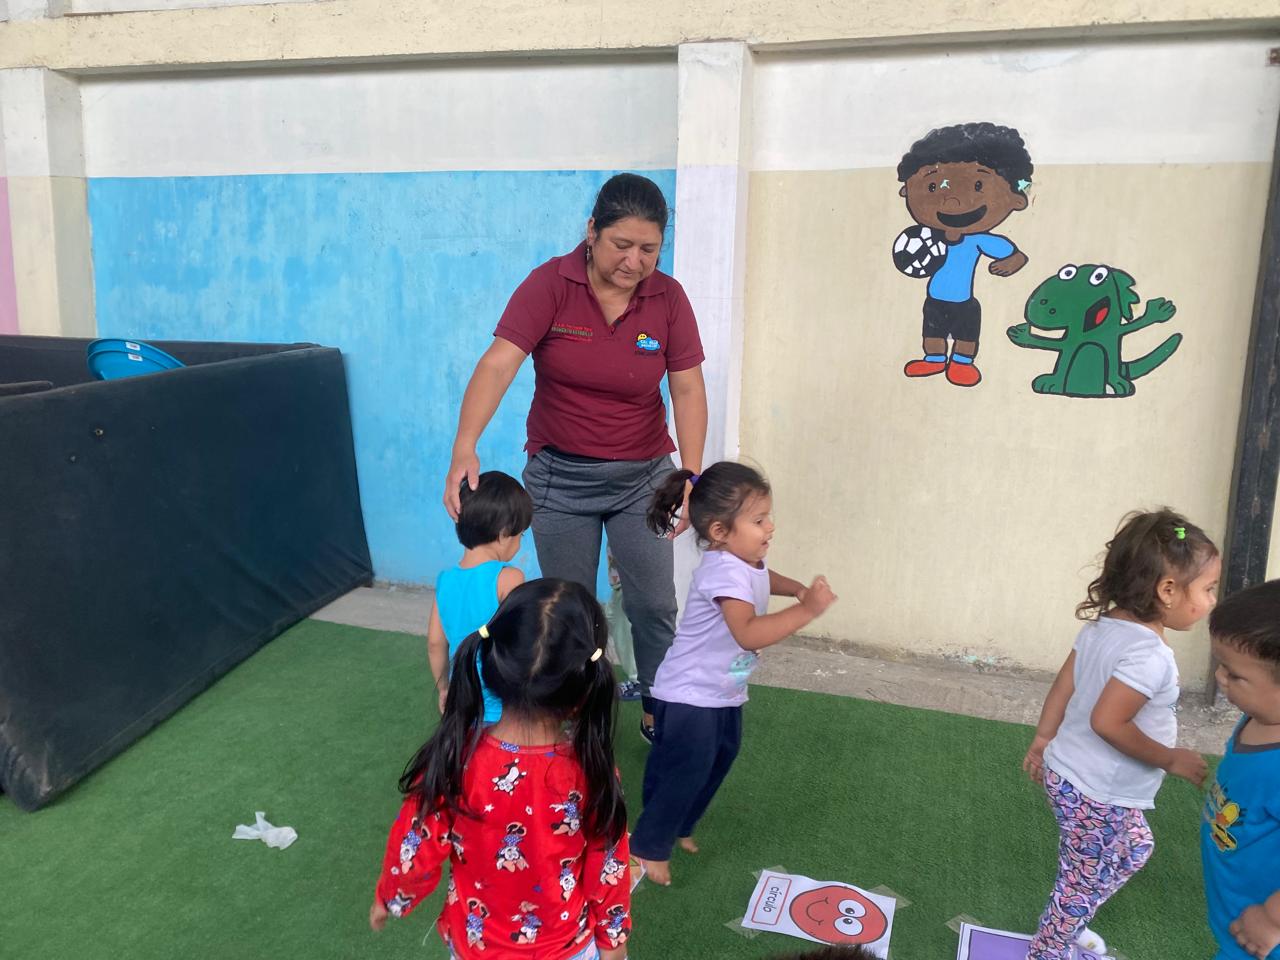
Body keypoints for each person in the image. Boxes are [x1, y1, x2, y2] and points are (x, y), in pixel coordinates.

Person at [442, 172, 708, 743]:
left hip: (644, 479)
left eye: (649, 249)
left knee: (653, 604)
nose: (634, 262)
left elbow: (687, 387)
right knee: (569, 610)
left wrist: (690, 472)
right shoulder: (551, 284)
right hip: (560, 479)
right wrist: (465, 444)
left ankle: (659, 703)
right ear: (592, 231)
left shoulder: (667, 297)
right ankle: (576, 714)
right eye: (621, 245)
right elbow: (499, 363)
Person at [370, 579, 631, 960]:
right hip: (566, 950)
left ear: (492, 668)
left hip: (474, 946)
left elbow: (415, 844)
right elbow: (609, 865)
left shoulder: (454, 757)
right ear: (583, 690)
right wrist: (614, 942)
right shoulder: (592, 770)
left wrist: (391, 897)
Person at [1022, 509, 1220, 960]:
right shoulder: (1149, 656)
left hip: (1074, 778)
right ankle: (1047, 949)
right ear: (1167, 590)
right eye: (1208, 589)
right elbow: (1108, 722)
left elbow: (1064, 684)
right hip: (1096, 792)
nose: (1212, 600)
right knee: (1078, 884)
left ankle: (1069, 923)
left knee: (1136, 848)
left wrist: (1043, 739)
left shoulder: (1103, 627)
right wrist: (1170, 758)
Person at [629, 462, 837, 885]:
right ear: (720, 531)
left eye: (768, 517)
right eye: (759, 520)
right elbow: (747, 632)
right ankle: (649, 847)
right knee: (685, 768)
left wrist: (796, 589)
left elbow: (762, 577)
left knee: (719, 757)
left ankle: (680, 823)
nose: (770, 527)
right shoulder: (723, 569)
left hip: (721, 691)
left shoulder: (746, 559)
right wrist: (806, 610)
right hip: (689, 695)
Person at [896, 121, 1033, 387]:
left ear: (1016, 199)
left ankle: (961, 362)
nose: (953, 201)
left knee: (966, 333)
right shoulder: (923, 238)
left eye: (978, 185)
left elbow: (1014, 254)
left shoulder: (977, 240)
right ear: (907, 191)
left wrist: (1012, 262)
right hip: (935, 299)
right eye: (933, 187)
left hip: (964, 302)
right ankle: (934, 359)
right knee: (932, 330)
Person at [1201, 579, 1280, 960]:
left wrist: (1272, 917)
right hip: (1236, 916)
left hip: (1262, 942)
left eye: (1234, 675)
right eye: (1221, 665)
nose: (1220, 677)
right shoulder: (1259, 716)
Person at [429, 471, 532, 720]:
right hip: (503, 702)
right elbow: (524, 642)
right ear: (504, 534)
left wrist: (444, 688)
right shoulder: (509, 578)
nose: (520, 543)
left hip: (462, 696)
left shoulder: (445, 580)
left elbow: (435, 643)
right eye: (520, 535)